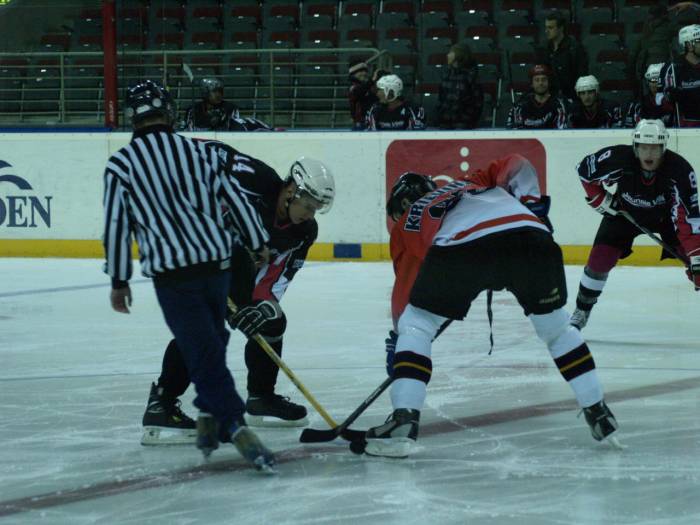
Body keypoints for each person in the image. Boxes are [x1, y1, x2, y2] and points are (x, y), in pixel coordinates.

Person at [363, 155, 619, 458]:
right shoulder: (471, 182)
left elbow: (405, 295)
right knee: (557, 329)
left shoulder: (407, 222)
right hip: (533, 237)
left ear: (403, 204)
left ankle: (404, 420)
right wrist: (532, 206)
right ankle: (597, 410)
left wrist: (401, 343)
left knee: (417, 324)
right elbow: (519, 164)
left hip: (463, 247)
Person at [103, 79, 275, 471]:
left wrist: (119, 279)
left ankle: (230, 422)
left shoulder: (121, 164)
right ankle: (215, 416)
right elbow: (234, 198)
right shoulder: (197, 151)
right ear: (168, 111)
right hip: (216, 265)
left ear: (131, 117)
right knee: (211, 341)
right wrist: (258, 240)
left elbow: (116, 226)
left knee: (204, 348)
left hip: (173, 274)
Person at [141, 152, 335, 442]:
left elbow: (275, 278)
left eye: (315, 209)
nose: (310, 214)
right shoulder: (252, 181)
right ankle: (161, 403)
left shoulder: (304, 231)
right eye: (308, 205)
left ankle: (261, 398)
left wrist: (261, 308)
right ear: (291, 191)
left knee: (272, 321)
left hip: (235, 272)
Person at [570, 119, 700, 330]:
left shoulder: (680, 170)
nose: (649, 154)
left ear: (663, 148)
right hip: (625, 214)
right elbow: (584, 171)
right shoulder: (619, 158)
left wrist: (696, 257)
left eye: (655, 148)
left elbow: (688, 218)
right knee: (599, 261)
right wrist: (601, 199)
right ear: (635, 147)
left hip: (667, 219)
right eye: (644, 147)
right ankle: (582, 310)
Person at [535, 10, 588, 99]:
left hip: (571, 97)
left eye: (550, 28)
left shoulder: (575, 49)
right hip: (549, 97)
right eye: (546, 27)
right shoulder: (544, 49)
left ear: (561, 28)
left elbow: (581, 77)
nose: (546, 31)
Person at [628, 6, 676, 100]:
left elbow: (633, 54)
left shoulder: (646, 28)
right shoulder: (669, 27)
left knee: (649, 98)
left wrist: (631, 71)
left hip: (646, 69)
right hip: (663, 69)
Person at [659, 24, 700, 127]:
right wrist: (670, 96)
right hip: (686, 127)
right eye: (699, 41)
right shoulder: (672, 68)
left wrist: (685, 95)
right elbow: (661, 99)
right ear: (689, 45)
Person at [436, 43, 484, 129]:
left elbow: (477, 102)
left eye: (451, 53)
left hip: (463, 124)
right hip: (445, 123)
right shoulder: (446, 75)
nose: (448, 55)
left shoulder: (470, 76)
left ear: (459, 55)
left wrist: (467, 119)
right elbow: (441, 98)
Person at [506, 65, 568, 129]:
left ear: (549, 82)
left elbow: (561, 130)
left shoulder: (558, 105)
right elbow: (514, 130)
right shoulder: (520, 106)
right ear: (532, 84)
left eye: (544, 79)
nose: (540, 83)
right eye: (537, 80)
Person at [624, 63, 675, 127]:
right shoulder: (639, 105)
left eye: (660, 80)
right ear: (647, 82)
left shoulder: (675, 104)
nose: (657, 84)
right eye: (653, 80)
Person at [348, 61, 378, 130]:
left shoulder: (367, 85)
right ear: (353, 74)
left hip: (370, 120)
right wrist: (372, 80)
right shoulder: (352, 87)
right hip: (361, 122)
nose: (364, 73)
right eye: (360, 71)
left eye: (365, 71)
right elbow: (358, 92)